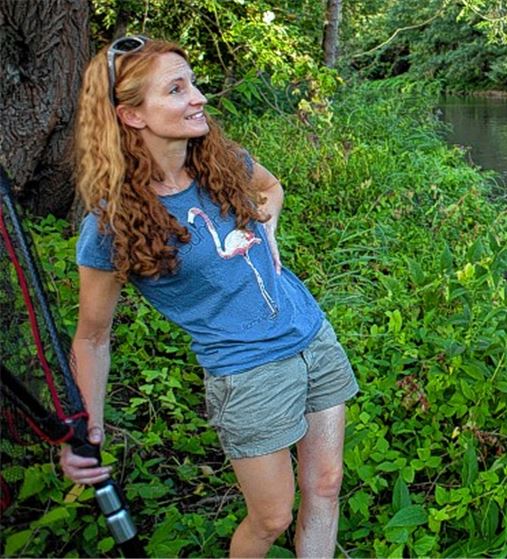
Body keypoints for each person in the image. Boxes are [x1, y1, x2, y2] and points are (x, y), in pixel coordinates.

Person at [59, 36, 359, 557]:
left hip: (312, 336)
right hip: (246, 372)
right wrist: (89, 428)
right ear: (131, 116)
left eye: (192, 82)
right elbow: (92, 338)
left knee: (326, 485)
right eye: (177, 89)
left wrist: (269, 231)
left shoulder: (222, 160)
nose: (198, 97)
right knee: (270, 518)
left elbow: (269, 189)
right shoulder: (112, 224)